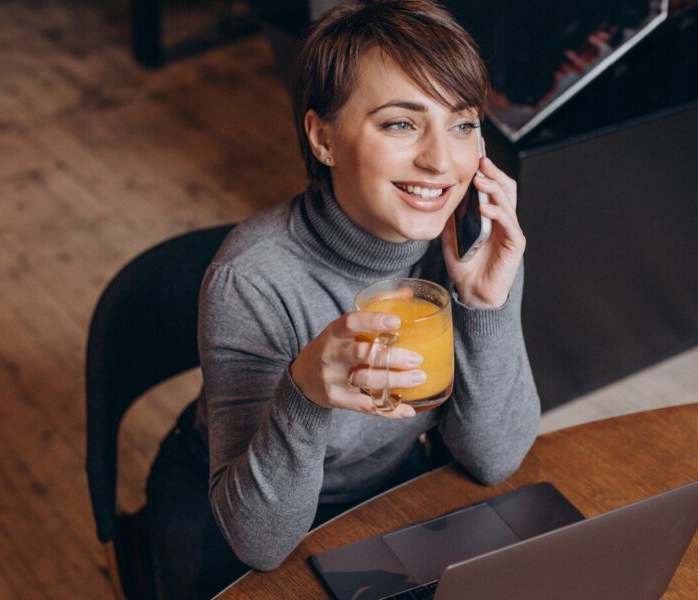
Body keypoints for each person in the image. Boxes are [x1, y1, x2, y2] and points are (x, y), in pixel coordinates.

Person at [145, 1, 540, 597]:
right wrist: (303, 393)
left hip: (385, 485)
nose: (441, 160)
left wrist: (486, 304)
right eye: (400, 124)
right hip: (237, 505)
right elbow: (260, 541)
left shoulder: (469, 246)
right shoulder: (252, 279)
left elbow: (494, 459)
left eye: (462, 123)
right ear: (322, 137)